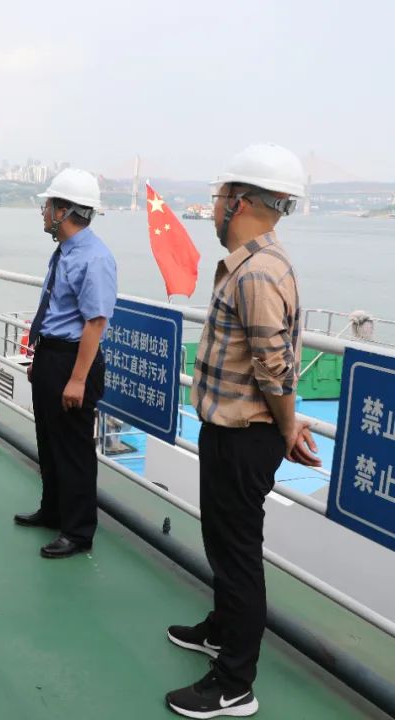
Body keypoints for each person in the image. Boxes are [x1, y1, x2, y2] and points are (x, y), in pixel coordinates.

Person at [165, 144, 320, 719]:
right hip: (234, 430)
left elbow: (273, 368)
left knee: (236, 557)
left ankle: (234, 684)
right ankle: (220, 630)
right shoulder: (259, 263)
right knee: (224, 543)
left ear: (241, 201)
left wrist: (286, 426)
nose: (213, 208)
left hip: (243, 436)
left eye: (219, 197)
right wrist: (286, 421)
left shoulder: (256, 272)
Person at [12, 169, 117, 559]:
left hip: (74, 361)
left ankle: (78, 530)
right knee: (49, 440)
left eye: (48, 206)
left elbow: (95, 322)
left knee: (73, 449)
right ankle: (53, 509)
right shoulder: (66, 252)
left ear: (64, 211)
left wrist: (77, 379)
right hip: (52, 356)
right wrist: (39, 358)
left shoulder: (94, 258)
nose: (43, 212)